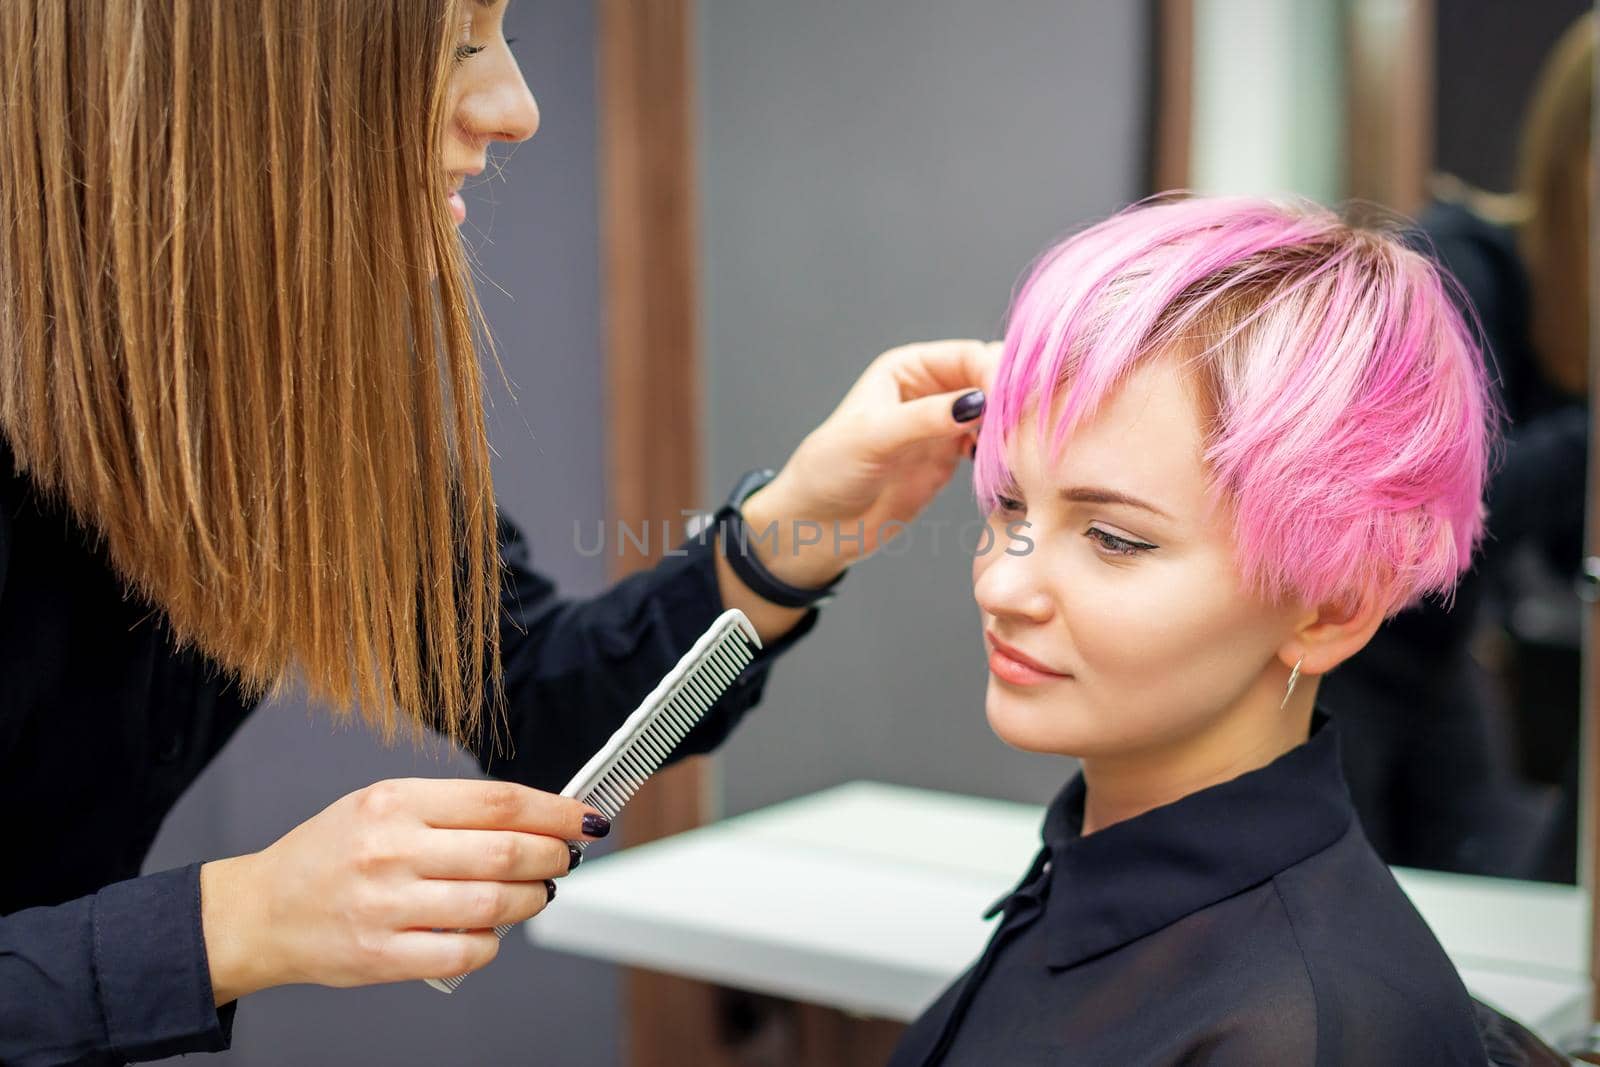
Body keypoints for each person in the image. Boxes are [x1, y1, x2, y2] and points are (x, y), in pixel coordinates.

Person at [0, 2, 993, 1063]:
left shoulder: (279, 395)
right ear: (216, 80)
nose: (515, 108)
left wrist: (798, 527)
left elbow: (536, 697)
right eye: (455, 45)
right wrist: (233, 921)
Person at [890, 196, 1498, 1065]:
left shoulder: (1303, 1031)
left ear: (1329, 606)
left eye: (1115, 538)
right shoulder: (1093, 879)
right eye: (1009, 503)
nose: (1002, 579)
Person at [1318, 11, 1593, 882]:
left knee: (1499, 901)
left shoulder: (1579, 327)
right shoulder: (1455, 273)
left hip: (1438, 661)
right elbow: (1426, 506)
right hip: (1330, 658)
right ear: (1578, 154)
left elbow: (1554, 551)